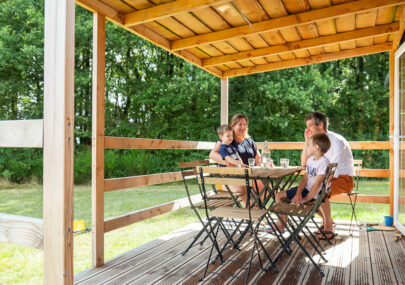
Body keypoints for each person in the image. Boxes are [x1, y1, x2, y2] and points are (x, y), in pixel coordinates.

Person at [301, 112, 354, 240]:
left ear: (321, 125)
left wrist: (317, 184)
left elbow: (332, 171)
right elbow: (304, 163)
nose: (307, 129)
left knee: (319, 190)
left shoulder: (337, 141)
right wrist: (307, 142)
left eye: (310, 126)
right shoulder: (316, 142)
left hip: (343, 179)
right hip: (325, 179)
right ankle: (327, 219)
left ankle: (328, 227)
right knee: (301, 194)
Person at [266, 133, 331, 234]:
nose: (306, 146)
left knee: (280, 197)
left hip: (313, 194)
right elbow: (305, 179)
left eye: (308, 145)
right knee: (279, 195)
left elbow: (318, 184)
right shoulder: (310, 160)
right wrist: (298, 193)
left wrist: (306, 198)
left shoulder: (323, 162)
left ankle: (280, 225)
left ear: (316, 147)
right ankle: (282, 224)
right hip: (306, 190)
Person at [210, 113, 262, 204]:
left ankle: (257, 206)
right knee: (243, 187)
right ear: (233, 126)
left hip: (247, 177)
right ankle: (252, 211)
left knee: (266, 183)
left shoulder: (250, 141)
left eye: (245, 124)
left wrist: (266, 163)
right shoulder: (228, 139)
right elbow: (212, 154)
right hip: (228, 177)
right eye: (240, 124)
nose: (243, 127)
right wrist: (228, 162)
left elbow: (259, 160)